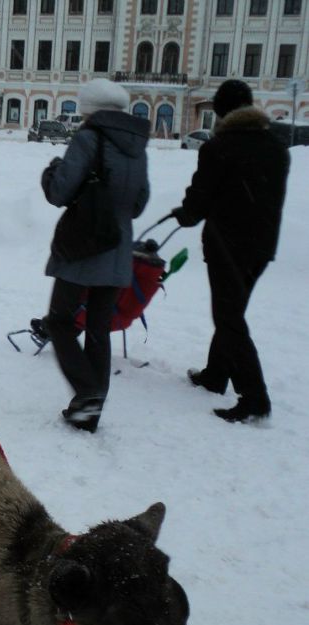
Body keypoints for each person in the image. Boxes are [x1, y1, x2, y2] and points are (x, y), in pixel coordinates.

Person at [172, 80, 289, 423]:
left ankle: (255, 397)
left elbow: (200, 200)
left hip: (227, 245)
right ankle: (215, 374)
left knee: (228, 317)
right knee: (232, 310)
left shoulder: (220, 147)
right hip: (262, 247)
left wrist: (187, 214)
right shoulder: (276, 145)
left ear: (223, 111)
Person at [40, 78, 150, 433]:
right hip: (118, 248)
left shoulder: (88, 138)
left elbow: (59, 192)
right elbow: (137, 204)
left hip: (84, 248)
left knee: (59, 321)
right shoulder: (137, 146)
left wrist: (52, 171)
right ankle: (90, 409)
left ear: (88, 108)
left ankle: (87, 395)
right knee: (98, 328)